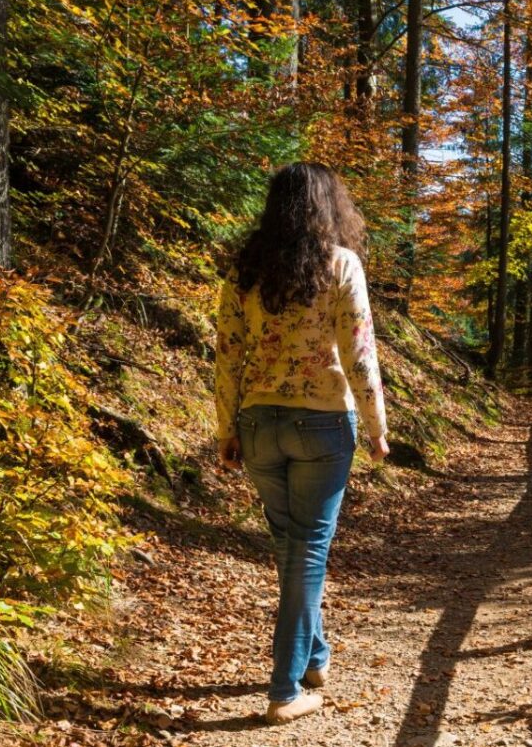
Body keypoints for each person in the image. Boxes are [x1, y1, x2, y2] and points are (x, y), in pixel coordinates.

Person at [214, 162, 389, 725]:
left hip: (260, 425)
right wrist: (378, 425)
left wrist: (225, 428)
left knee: (293, 549)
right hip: (321, 425)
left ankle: (314, 658)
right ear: (328, 207)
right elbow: (359, 350)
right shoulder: (341, 264)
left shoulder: (245, 271)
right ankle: (285, 690)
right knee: (308, 550)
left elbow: (227, 354)